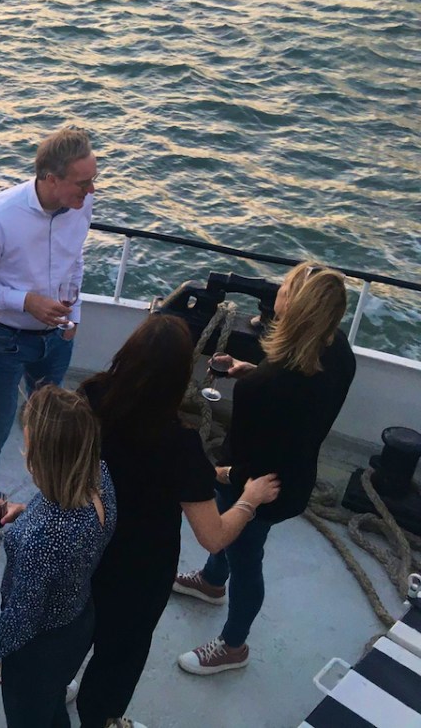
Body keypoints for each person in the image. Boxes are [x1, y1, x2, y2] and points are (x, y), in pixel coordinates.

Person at [74, 316, 281, 728]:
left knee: (73, 627)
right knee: (119, 657)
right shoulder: (179, 443)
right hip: (139, 572)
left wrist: (209, 474)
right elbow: (213, 537)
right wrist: (249, 499)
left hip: (84, 546)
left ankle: (59, 680)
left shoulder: (91, 395)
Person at [174, 262, 356, 675]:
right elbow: (302, 395)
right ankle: (210, 581)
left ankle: (233, 646)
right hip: (294, 478)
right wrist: (251, 370)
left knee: (245, 557)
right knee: (238, 548)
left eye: (285, 286)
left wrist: (215, 475)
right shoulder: (339, 351)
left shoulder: (265, 389)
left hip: (256, 489)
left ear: (293, 305)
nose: (277, 290)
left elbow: (246, 464)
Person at [0, 127, 97, 558]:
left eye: (93, 180)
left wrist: (72, 315)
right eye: (83, 182)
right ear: (51, 178)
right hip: (3, 339)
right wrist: (25, 302)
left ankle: (50, 509)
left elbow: (75, 259)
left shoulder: (81, 202)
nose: (92, 190)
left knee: (51, 429)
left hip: (57, 337)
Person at [0, 385, 116, 728]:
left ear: (40, 456)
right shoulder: (100, 476)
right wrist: (26, 511)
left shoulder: (39, 539)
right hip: (78, 620)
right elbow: (68, 533)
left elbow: (23, 614)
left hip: (38, 649)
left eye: (28, 443)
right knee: (50, 705)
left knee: (28, 717)